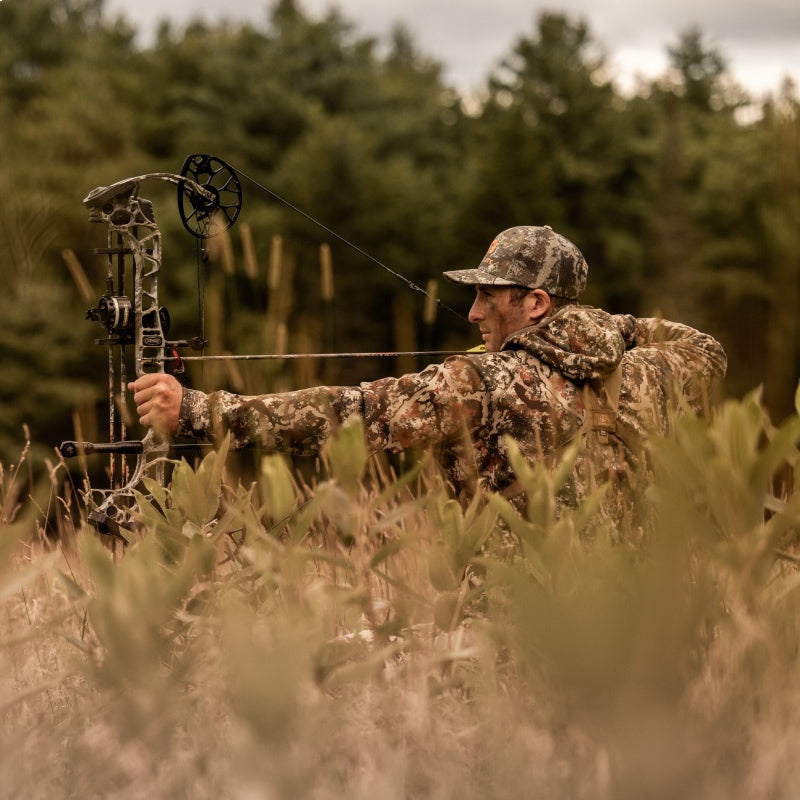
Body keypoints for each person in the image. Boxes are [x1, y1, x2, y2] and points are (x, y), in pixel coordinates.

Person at [129, 225, 726, 538]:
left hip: (517, 615)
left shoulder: (480, 381)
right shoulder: (652, 371)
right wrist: (595, 330)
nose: (472, 314)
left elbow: (348, 412)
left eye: (488, 297)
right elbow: (708, 348)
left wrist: (199, 410)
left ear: (537, 301)